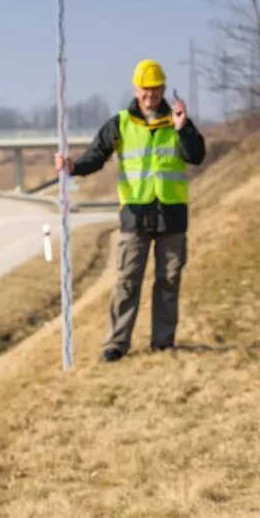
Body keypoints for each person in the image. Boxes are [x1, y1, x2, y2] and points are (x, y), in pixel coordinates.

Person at [56, 59, 205, 362]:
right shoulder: (120, 123)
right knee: (127, 281)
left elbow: (196, 156)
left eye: (155, 88)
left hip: (172, 215)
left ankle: (163, 342)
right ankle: (116, 344)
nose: (150, 94)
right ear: (136, 90)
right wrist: (72, 166)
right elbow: (96, 157)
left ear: (163, 89)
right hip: (135, 216)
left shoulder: (178, 121)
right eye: (144, 89)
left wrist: (183, 128)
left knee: (169, 279)